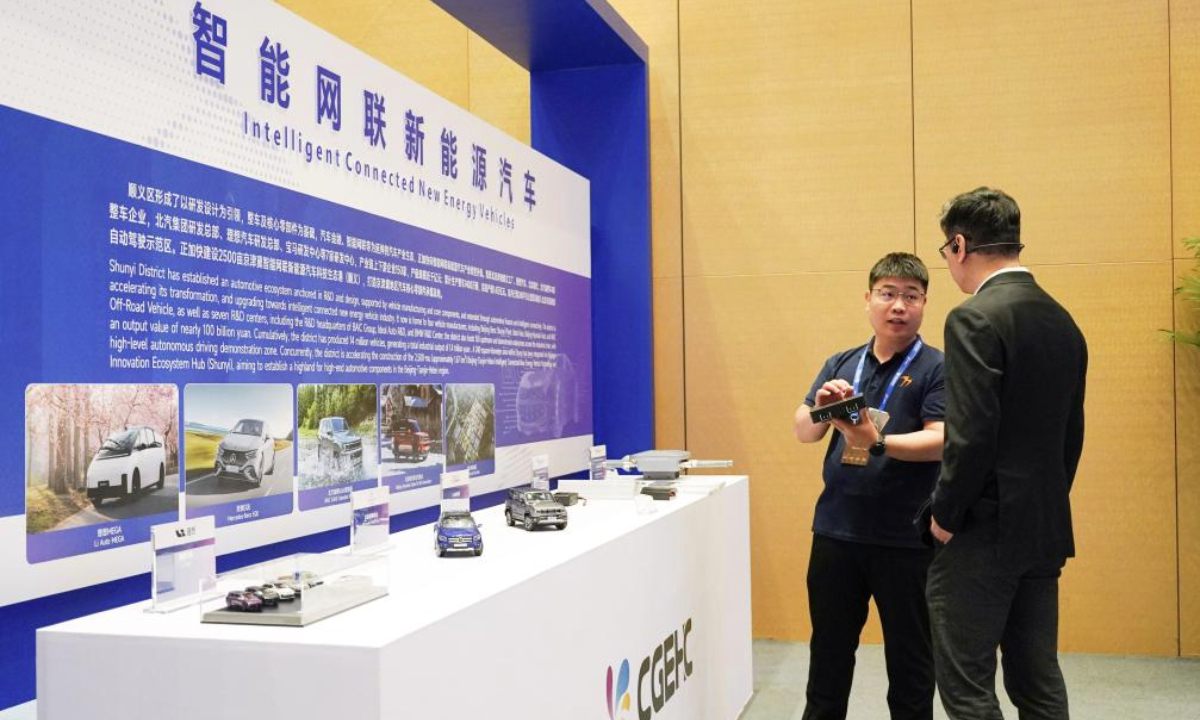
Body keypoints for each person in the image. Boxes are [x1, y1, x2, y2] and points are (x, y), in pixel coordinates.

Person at [925, 187, 1087, 720]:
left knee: (968, 685)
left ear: (959, 244)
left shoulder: (973, 318)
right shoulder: (1062, 320)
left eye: (945, 252)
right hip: (1042, 526)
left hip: (982, 531)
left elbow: (969, 434)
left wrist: (946, 514)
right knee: (1038, 679)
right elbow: (1070, 435)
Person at [793, 252, 946, 720]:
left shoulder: (936, 367)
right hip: (837, 532)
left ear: (923, 304)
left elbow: (941, 440)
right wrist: (823, 407)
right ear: (868, 299)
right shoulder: (841, 362)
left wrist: (875, 441)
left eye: (911, 296)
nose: (898, 305)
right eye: (888, 293)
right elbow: (805, 429)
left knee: (911, 665)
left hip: (906, 539)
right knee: (829, 658)